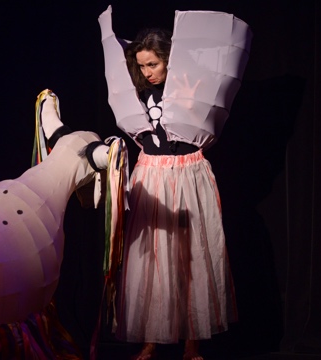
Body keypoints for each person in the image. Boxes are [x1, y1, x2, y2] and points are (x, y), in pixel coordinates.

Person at [93, 6, 252, 360]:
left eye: (154, 64)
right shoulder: (139, 95)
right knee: (150, 258)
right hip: (151, 172)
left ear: (169, 60)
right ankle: (151, 339)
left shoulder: (188, 89)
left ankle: (192, 343)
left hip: (187, 172)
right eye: (142, 65)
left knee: (190, 256)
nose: (147, 72)